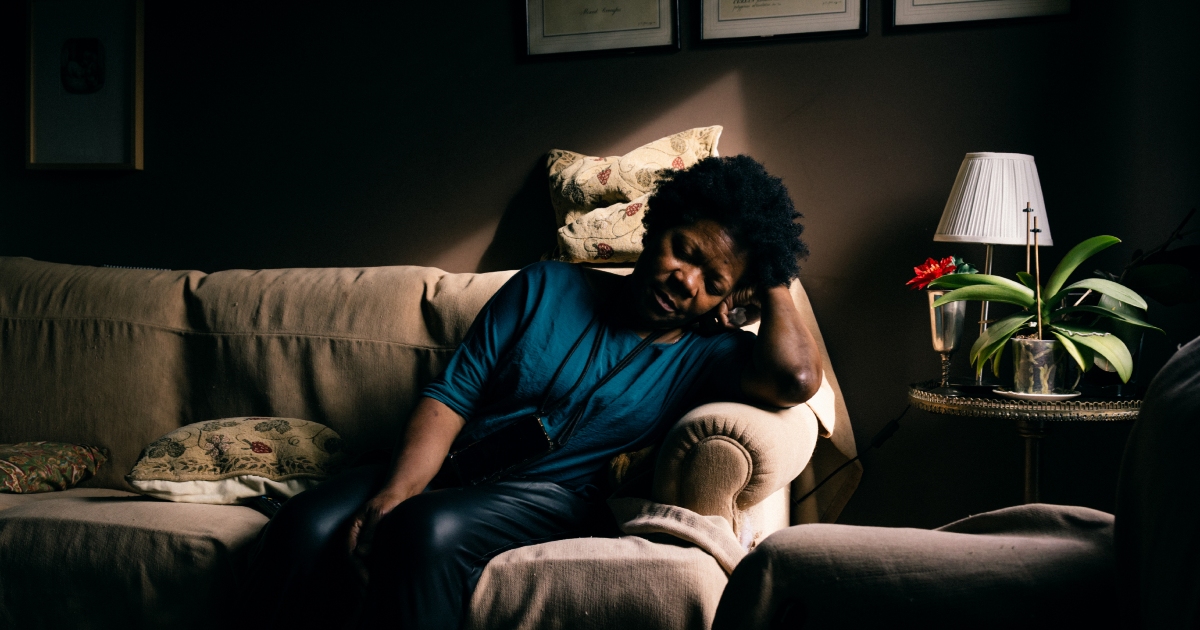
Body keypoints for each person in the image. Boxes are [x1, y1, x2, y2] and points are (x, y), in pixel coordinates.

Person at [242, 155, 823, 629]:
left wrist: (771, 275)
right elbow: (454, 393)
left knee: (424, 530)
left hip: (553, 499)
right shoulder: (544, 286)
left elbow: (796, 380)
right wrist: (396, 491)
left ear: (728, 298)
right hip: (450, 467)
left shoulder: (708, 354)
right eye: (685, 251)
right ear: (656, 227)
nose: (686, 280)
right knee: (303, 526)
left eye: (713, 282)